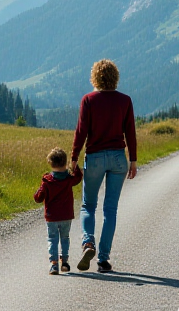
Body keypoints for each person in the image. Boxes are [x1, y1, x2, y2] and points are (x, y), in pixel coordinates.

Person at [71, 59, 137, 273]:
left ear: (95, 77)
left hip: (95, 157)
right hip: (118, 158)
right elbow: (130, 132)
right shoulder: (125, 100)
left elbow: (81, 131)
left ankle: (88, 242)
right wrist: (133, 160)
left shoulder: (88, 100)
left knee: (88, 206)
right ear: (115, 77)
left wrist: (73, 158)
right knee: (110, 209)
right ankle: (103, 259)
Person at [33, 147, 83, 275]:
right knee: (65, 237)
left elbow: (38, 198)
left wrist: (40, 189)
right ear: (65, 163)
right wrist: (75, 166)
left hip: (52, 216)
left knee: (52, 238)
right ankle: (64, 261)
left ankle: (54, 264)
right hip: (66, 215)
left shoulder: (47, 181)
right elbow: (78, 177)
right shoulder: (68, 179)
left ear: (51, 163)